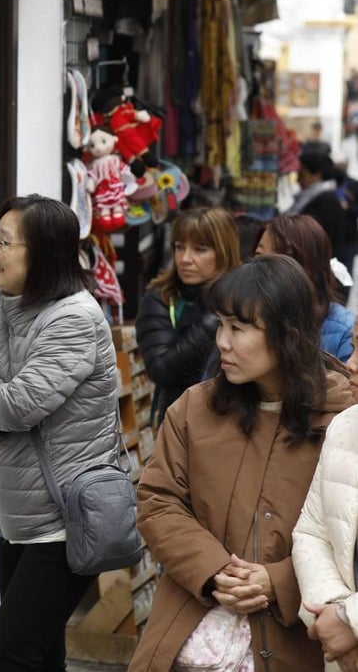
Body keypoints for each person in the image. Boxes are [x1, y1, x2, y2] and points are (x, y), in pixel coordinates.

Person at [129, 255, 353, 672]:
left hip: (297, 640)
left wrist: (279, 581)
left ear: (287, 335)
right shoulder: (194, 409)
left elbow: (346, 539)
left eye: (238, 328)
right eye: (220, 325)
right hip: (190, 628)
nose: (222, 342)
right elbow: (159, 500)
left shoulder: (342, 423)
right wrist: (213, 570)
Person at [0, 194, 118, 671]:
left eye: (4, 242)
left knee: (8, 652)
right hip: (19, 514)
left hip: (66, 518)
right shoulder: (7, 306)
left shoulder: (74, 318)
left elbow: (15, 406)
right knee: (42, 655)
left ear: (43, 252)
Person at [136, 207, 241, 425]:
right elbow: (161, 369)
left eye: (199, 249)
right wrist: (215, 319)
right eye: (179, 247)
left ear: (224, 252)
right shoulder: (162, 298)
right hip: (181, 423)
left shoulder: (245, 299)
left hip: (238, 418)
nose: (185, 259)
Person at [293, 319, 358, 672]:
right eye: (354, 346)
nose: (350, 364)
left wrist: (351, 621)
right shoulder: (345, 427)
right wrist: (332, 612)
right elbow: (311, 533)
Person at [255, 213, 354, 360]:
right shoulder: (242, 314)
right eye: (258, 254)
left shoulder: (345, 330)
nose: (263, 267)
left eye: (279, 259)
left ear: (310, 267)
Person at [290, 150, 346, 260]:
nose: (297, 180)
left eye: (302, 175)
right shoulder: (320, 197)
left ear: (316, 175)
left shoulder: (324, 201)